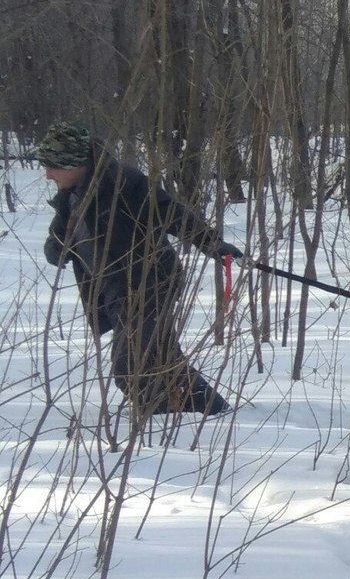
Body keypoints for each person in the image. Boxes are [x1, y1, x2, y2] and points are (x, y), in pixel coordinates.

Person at [35, 122, 241, 419]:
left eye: (53, 166)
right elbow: (58, 248)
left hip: (149, 281)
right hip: (113, 290)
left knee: (130, 364)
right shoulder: (72, 194)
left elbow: (170, 212)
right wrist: (57, 245)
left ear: (76, 162)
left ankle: (158, 424)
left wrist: (212, 243)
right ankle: (210, 409)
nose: (48, 174)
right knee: (160, 355)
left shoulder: (121, 183)